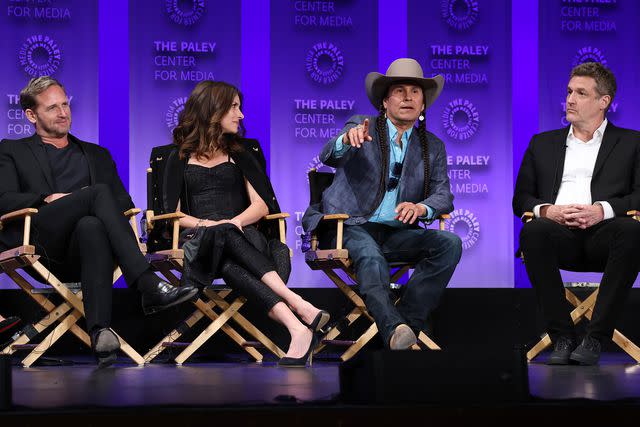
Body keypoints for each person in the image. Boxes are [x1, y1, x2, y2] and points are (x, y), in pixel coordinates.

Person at [0, 77, 198, 367]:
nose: (63, 112)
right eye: (52, 107)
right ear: (31, 115)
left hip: (86, 252)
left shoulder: (97, 155)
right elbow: (3, 199)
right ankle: (145, 282)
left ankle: (100, 332)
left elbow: (124, 206)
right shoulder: (11, 150)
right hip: (41, 242)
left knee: (91, 225)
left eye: (65, 104)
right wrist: (47, 198)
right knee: (96, 195)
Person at [163, 80, 329, 367]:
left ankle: (298, 329)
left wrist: (233, 222)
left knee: (228, 253)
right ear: (212, 110)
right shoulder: (176, 156)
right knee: (226, 254)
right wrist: (208, 225)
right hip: (199, 244)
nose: (241, 115)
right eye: (234, 108)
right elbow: (174, 215)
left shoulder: (242, 152)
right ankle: (299, 307)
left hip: (245, 237)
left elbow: (261, 205)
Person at [302, 58, 462, 350]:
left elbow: (444, 195)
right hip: (348, 226)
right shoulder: (362, 126)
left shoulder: (433, 146)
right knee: (370, 256)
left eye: (415, 92)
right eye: (399, 91)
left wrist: (422, 208)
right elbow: (328, 156)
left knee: (449, 243)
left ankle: (404, 325)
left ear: (423, 105)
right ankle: (393, 328)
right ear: (385, 102)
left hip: (395, 232)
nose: (408, 97)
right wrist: (346, 141)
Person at [513, 62, 640, 365]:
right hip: (558, 236)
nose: (570, 99)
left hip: (606, 236)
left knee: (633, 231)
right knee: (533, 230)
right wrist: (548, 211)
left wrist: (602, 210)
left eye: (581, 93)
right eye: (569, 91)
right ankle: (562, 338)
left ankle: (595, 337)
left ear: (603, 102)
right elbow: (521, 199)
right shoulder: (542, 143)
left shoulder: (633, 143)